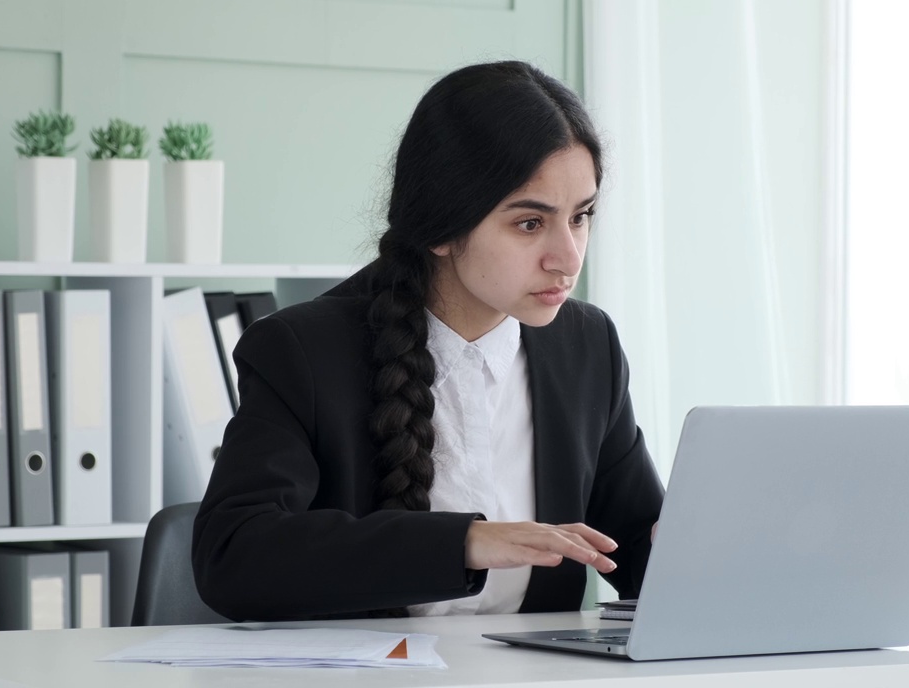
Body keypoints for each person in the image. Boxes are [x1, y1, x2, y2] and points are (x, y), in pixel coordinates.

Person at [191, 60, 665, 621]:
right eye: (530, 224)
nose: (568, 256)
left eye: (581, 216)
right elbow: (234, 556)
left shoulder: (587, 347)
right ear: (442, 226)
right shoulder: (300, 351)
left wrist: (701, 548)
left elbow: (634, 548)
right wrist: (463, 543)